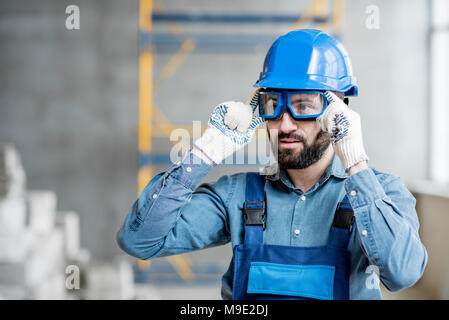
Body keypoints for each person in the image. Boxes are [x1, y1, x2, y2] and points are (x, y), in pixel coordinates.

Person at [117, 29, 427, 300]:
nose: (285, 124)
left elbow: (403, 274)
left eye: (303, 106)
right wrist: (203, 153)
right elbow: (139, 240)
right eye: (273, 105)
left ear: (338, 111)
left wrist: (356, 164)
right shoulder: (238, 195)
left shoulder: (382, 193)